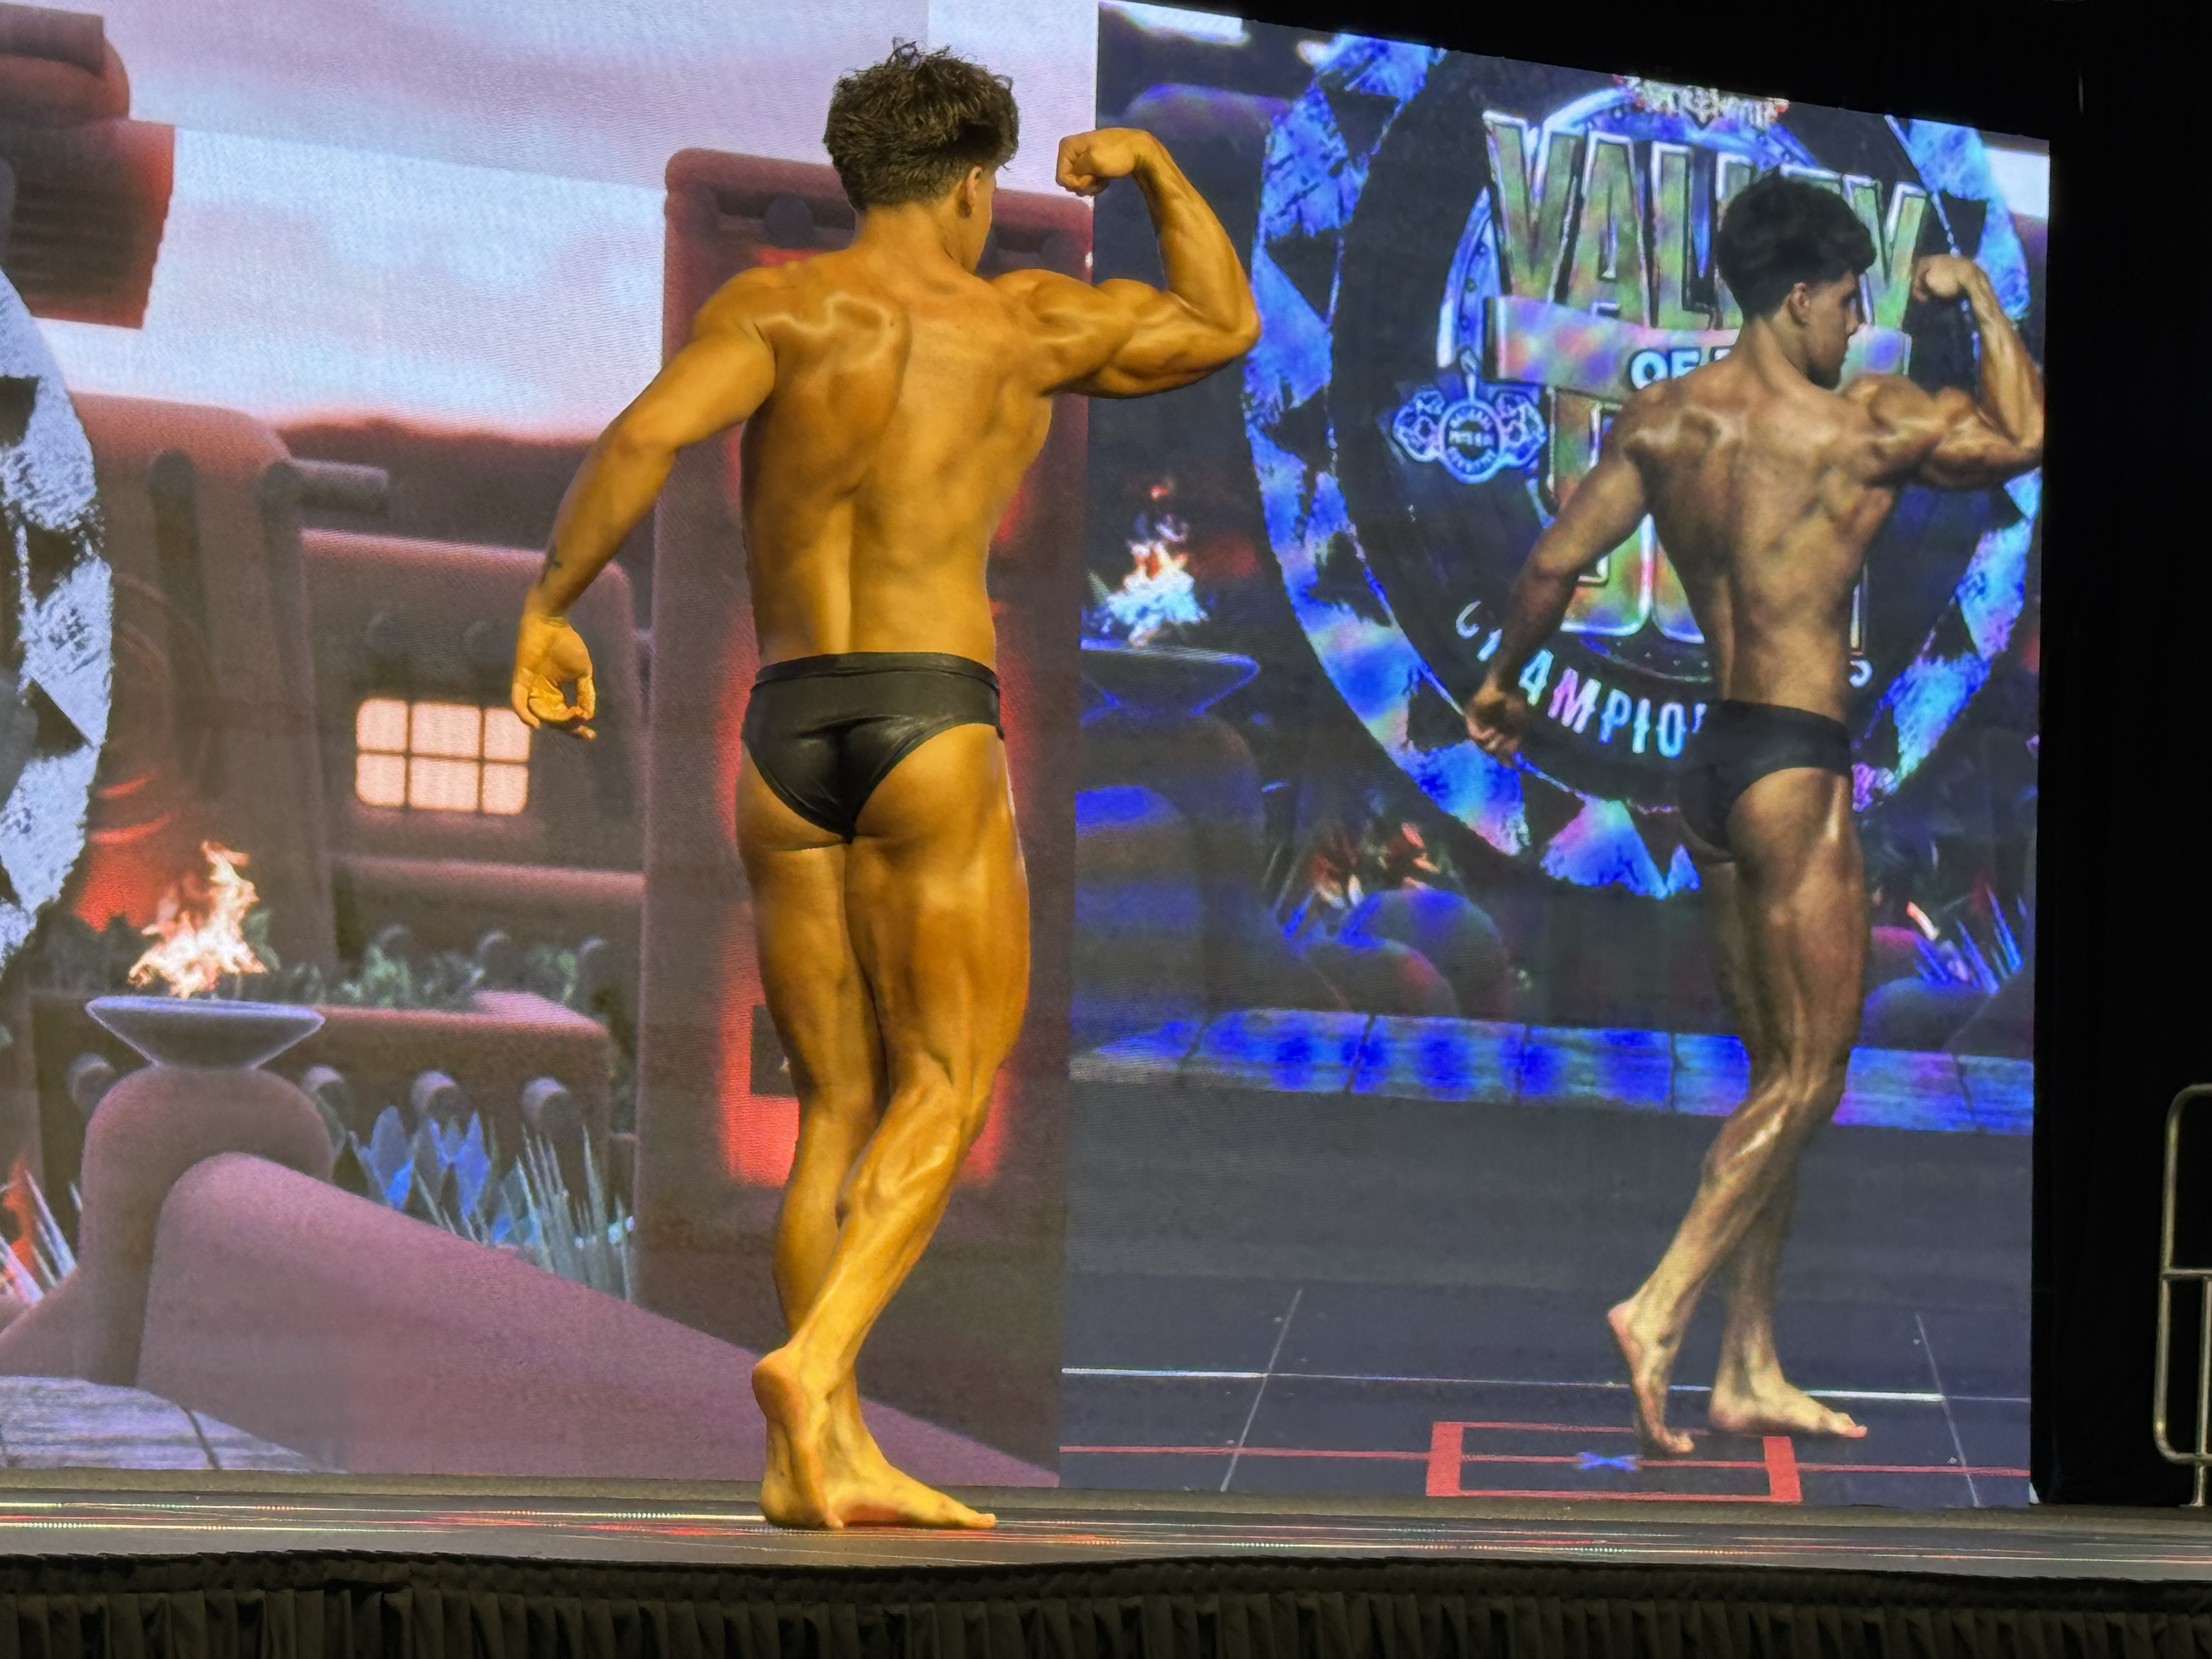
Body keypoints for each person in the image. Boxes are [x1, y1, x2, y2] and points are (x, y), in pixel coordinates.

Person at [509, 43, 1259, 1526]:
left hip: (788, 730)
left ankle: (817, 1465)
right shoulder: (1019, 322)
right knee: (947, 1081)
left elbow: (647, 434)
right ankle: (814, 1367)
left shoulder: (777, 309)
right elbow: (1220, 322)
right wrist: (1158, 171)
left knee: (832, 1109)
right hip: (929, 725)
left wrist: (547, 608)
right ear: (974, 185)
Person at [1465, 173, 2041, 1455]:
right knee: (1817, 1074)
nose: (1856, 325)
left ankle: (1749, 1366)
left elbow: (1554, 562)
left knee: (1774, 1075)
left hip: (1715, 772)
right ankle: (1661, 1303)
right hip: (1795, 769)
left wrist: (1499, 682)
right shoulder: (1857, 426)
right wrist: (1978, 296)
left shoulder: (1664, 420)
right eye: (1847, 301)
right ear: (1796, 297)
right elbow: (2025, 433)